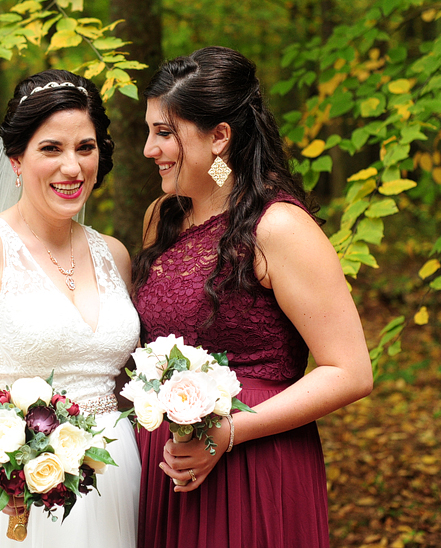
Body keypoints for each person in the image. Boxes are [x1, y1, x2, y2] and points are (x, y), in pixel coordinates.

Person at [132, 46, 373, 548]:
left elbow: (350, 372)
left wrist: (231, 432)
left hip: (255, 464)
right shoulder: (165, 216)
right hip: (166, 465)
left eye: (164, 133)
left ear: (220, 136)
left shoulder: (278, 227)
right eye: (150, 131)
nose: (149, 149)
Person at [0, 70, 141, 548]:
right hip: (15, 491)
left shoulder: (115, 255)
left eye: (86, 147)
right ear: (16, 158)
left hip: (115, 480)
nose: (72, 168)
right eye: (51, 149)